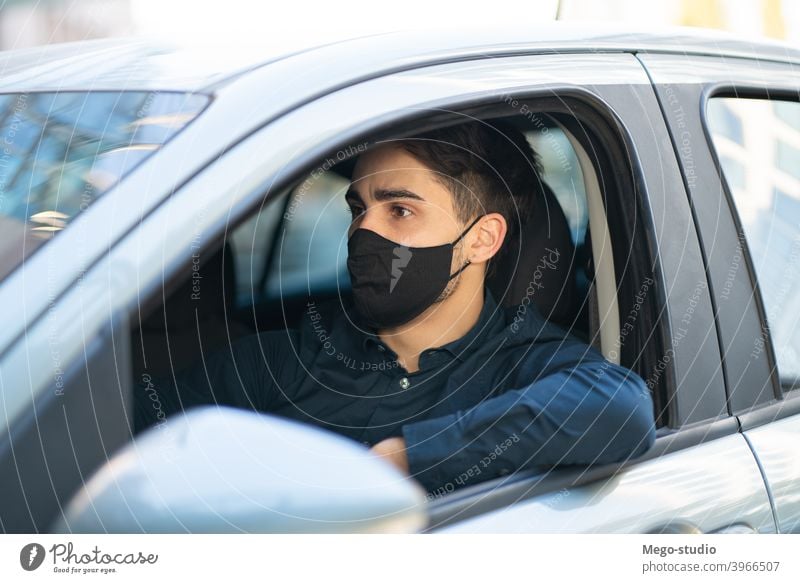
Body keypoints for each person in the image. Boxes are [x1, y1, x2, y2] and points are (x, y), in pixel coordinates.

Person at [134, 119, 656, 495]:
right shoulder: (280, 361)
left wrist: (407, 457)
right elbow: (127, 429)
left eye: (400, 209)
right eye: (358, 208)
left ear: (481, 240)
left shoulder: (525, 361)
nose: (364, 229)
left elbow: (623, 411)